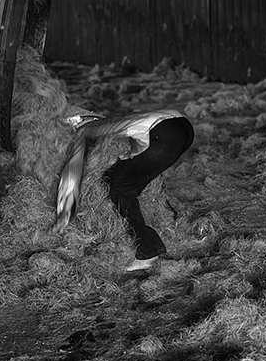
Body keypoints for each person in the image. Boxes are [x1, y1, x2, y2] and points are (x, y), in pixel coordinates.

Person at [53, 109, 195, 271]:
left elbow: (72, 170)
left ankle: (146, 253)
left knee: (121, 190)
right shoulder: (107, 120)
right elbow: (131, 135)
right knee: (132, 176)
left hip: (162, 134)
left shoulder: (83, 132)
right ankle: (155, 243)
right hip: (181, 125)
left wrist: (64, 213)